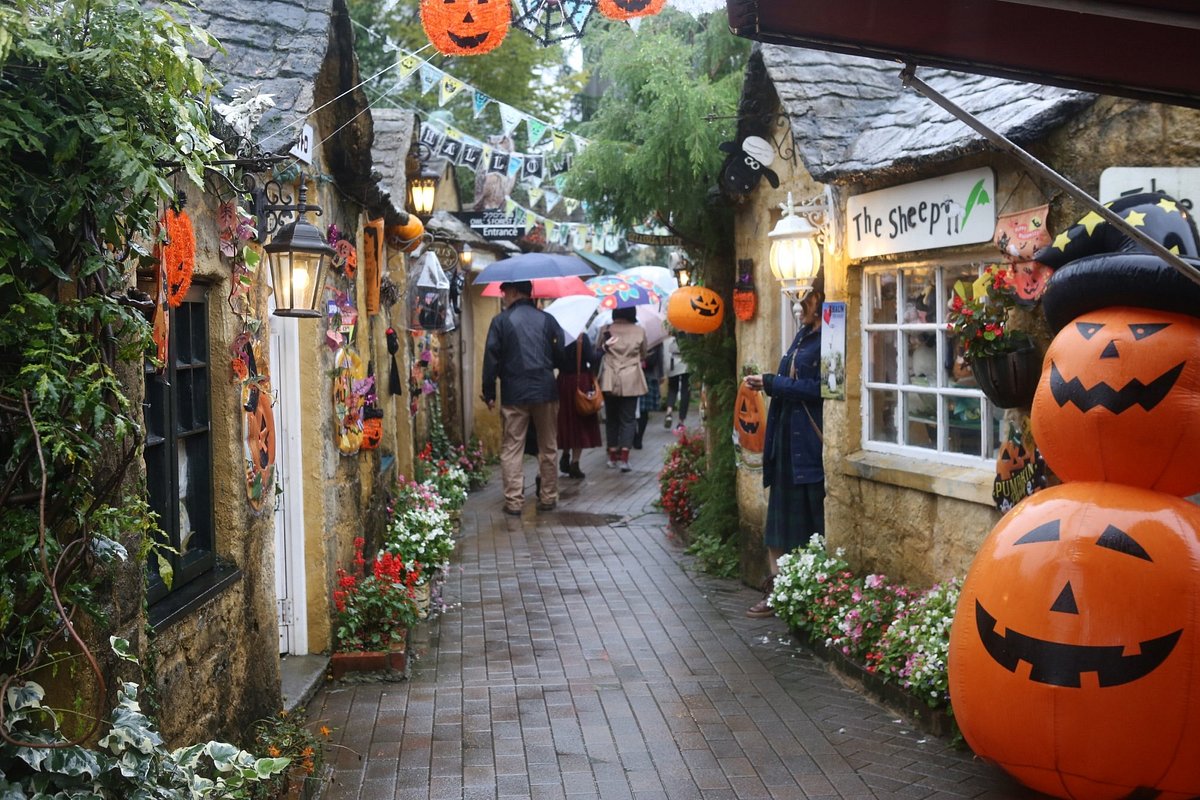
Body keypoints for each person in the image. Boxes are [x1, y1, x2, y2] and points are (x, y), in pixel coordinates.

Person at [742, 281, 826, 618]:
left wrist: (773, 383)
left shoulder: (827, 338)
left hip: (807, 447)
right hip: (786, 445)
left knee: (810, 526)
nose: (798, 306)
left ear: (818, 299)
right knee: (777, 527)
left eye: (803, 298)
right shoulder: (802, 335)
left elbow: (823, 388)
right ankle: (777, 589)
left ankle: (807, 596)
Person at [482, 280, 563, 516]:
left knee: (512, 447)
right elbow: (560, 352)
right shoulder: (547, 320)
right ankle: (548, 496)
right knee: (548, 446)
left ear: (515, 292)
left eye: (505, 291)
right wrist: (550, 368)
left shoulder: (501, 321)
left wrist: (488, 392)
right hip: (545, 389)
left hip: (514, 392)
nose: (503, 296)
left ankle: (514, 501)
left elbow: (491, 359)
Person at [595, 306, 647, 472]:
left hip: (610, 377)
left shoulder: (606, 329)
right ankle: (624, 458)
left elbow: (598, 349)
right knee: (628, 418)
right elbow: (644, 353)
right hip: (632, 378)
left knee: (612, 418)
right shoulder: (639, 331)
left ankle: (612, 456)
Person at [556, 333, 602, 479]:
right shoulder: (581, 337)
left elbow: (553, 361)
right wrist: (603, 349)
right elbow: (591, 358)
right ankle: (575, 463)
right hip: (580, 383)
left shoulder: (557, 337)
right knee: (580, 422)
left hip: (562, 383)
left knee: (565, 420)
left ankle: (565, 453)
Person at [633, 341, 663, 449]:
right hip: (645, 376)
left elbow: (658, 357)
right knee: (640, 410)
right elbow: (659, 356)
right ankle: (636, 437)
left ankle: (637, 437)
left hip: (640, 376)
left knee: (640, 409)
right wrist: (661, 374)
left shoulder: (633, 333)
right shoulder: (654, 336)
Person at [663, 335, 691, 430]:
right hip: (687, 361)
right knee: (685, 390)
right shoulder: (688, 327)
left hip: (673, 362)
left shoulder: (670, 327)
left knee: (672, 388)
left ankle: (669, 411)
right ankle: (681, 421)